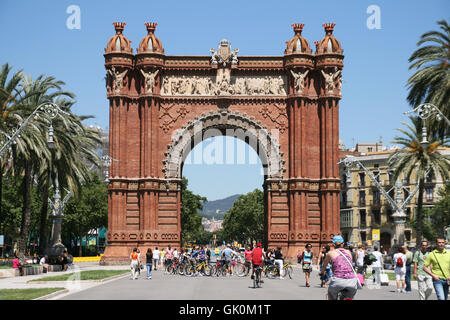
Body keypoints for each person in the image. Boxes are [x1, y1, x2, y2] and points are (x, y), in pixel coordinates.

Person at [319, 235, 358, 300]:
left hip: (338, 280)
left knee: (330, 292)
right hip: (352, 281)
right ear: (342, 244)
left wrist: (322, 272)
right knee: (350, 297)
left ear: (333, 245)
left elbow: (324, 265)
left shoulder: (330, 253)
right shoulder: (348, 252)